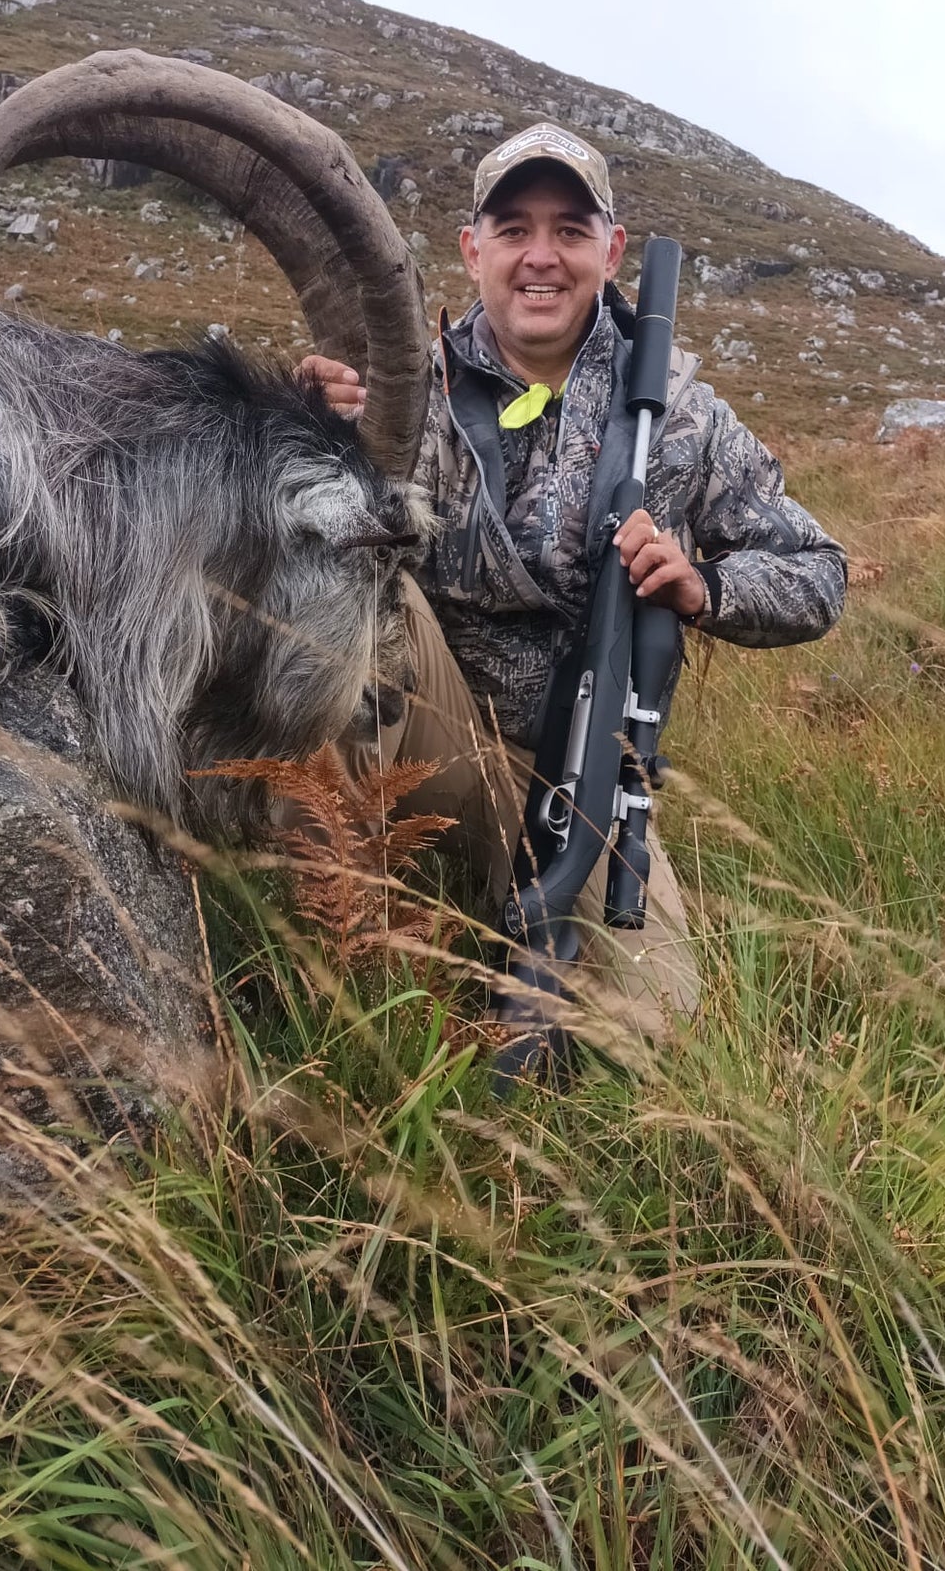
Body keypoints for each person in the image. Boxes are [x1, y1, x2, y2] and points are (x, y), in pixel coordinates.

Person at [301, 122, 846, 1045]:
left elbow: (817, 574)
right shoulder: (402, 389)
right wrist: (313, 433)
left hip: (582, 772)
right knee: (343, 620)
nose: (540, 257)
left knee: (663, 1033)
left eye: (568, 229)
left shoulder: (678, 415)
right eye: (513, 230)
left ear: (611, 249)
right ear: (473, 251)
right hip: (423, 723)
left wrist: (703, 586)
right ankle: (327, 936)